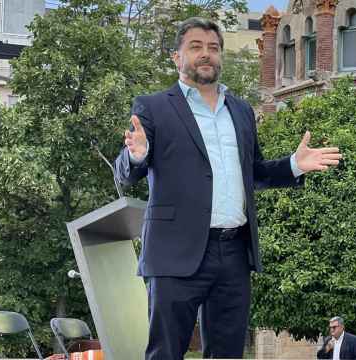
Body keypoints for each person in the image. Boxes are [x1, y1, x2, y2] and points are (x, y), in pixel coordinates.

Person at [114, 17, 342, 360]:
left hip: (233, 253)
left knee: (227, 354)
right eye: (196, 47)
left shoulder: (240, 110)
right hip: (174, 252)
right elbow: (126, 172)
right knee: (165, 353)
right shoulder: (154, 107)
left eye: (213, 48)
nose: (206, 54)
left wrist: (293, 165)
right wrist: (138, 155)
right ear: (177, 57)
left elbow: (254, 173)